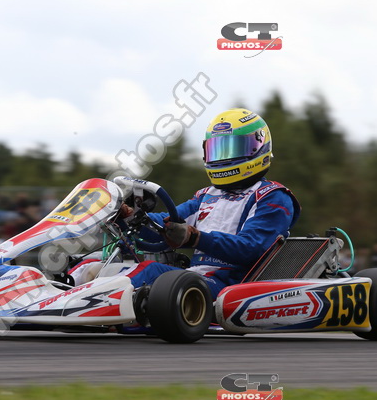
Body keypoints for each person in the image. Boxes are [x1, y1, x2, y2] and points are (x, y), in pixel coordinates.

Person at [71, 108, 300, 299]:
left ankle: (87, 305)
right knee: (95, 267)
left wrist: (196, 238)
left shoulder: (272, 196)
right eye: (218, 149)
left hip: (231, 287)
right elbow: (168, 223)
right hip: (193, 277)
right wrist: (129, 215)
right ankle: (61, 294)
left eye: (232, 149)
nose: (224, 157)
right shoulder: (207, 195)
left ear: (259, 148)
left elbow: (251, 248)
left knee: (152, 271)